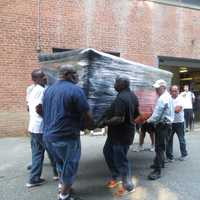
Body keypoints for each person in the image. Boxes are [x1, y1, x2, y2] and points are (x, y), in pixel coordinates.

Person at [42, 65, 93, 200]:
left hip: (48, 136)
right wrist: (90, 125)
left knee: (60, 163)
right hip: (66, 136)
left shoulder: (48, 90)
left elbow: (44, 111)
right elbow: (86, 113)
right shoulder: (76, 90)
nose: (77, 76)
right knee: (70, 165)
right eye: (76, 73)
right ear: (69, 75)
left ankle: (63, 186)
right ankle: (64, 195)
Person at [97, 76, 139, 197]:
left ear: (123, 84)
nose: (114, 84)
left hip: (121, 134)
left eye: (116, 82)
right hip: (121, 133)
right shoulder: (133, 96)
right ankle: (116, 176)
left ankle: (128, 185)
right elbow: (136, 115)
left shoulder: (121, 98)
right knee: (107, 152)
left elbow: (119, 119)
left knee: (121, 160)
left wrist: (104, 122)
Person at [26, 69, 51, 187]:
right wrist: (49, 118)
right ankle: (59, 174)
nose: (45, 78)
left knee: (37, 153)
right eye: (42, 77)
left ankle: (34, 179)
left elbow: (28, 108)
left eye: (44, 76)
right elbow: (39, 108)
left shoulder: (33, 90)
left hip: (33, 127)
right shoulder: (41, 90)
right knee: (53, 150)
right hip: (41, 127)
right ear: (35, 79)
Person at [146, 79, 174, 180]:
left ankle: (157, 171)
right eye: (156, 88)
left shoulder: (162, 98)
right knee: (161, 146)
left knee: (159, 148)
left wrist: (147, 121)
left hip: (162, 125)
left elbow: (156, 115)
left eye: (157, 88)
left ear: (163, 87)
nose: (156, 90)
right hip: (167, 125)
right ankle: (159, 163)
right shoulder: (168, 97)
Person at [166, 85, 188, 161]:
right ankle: (170, 157)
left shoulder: (181, 99)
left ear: (178, 91)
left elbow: (177, 110)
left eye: (176, 91)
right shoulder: (168, 99)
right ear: (170, 92)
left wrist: (167, 110)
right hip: (170, 123)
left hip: (179, 123)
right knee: (168, 140)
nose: (174, 92)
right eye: (173, 91)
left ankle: (184, 155)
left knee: (181, 139)